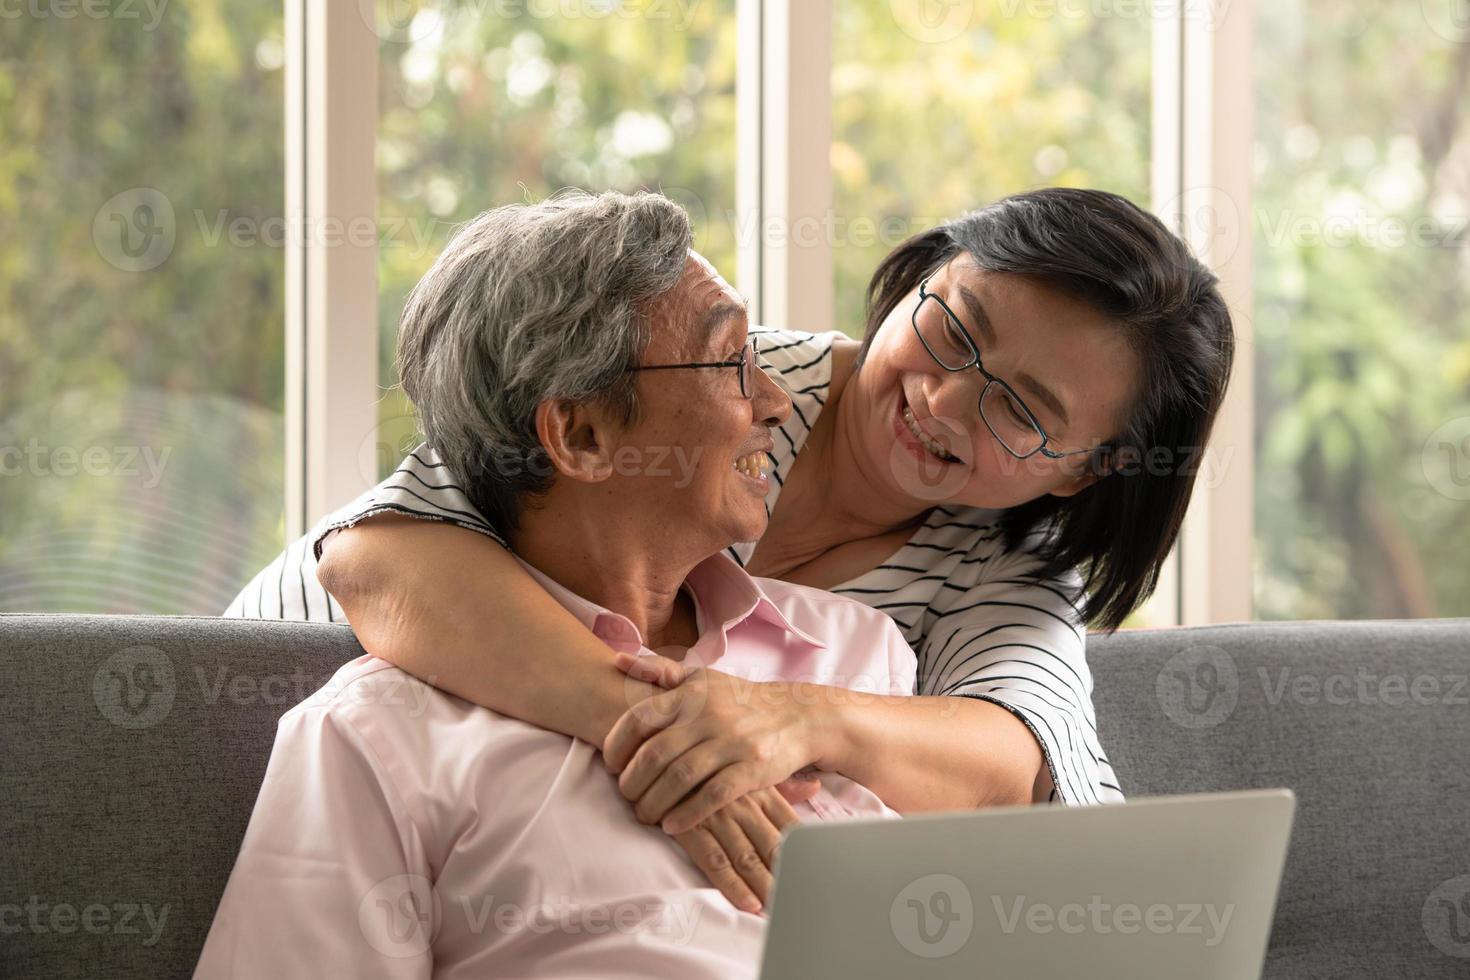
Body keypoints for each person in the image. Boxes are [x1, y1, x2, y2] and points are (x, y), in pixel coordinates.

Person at [228, 185, 1235, 910]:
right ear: (920, 274)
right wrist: (681, 740)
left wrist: (784, 720)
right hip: (248, 732)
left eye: (1021, 408)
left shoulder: (999, 569)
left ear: (1081, 470)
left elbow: (1020, 770)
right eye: (956, 328)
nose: (942, 399)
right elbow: (377, 558)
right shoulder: (712, 380)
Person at [197, 192, 918, 978]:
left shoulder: (856, 652)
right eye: (731, 362)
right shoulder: (376, 736)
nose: (777, 402)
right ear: (581, 434)